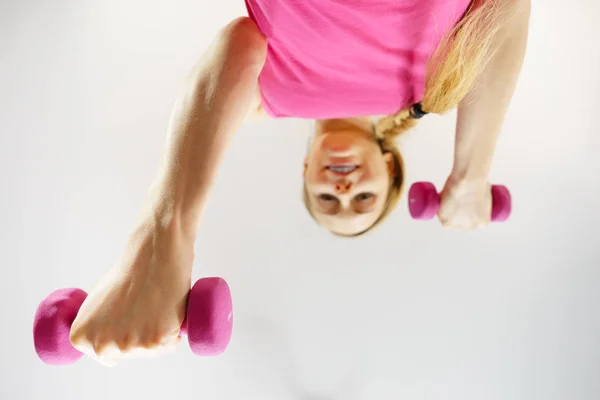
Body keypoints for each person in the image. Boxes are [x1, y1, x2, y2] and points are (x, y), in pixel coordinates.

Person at [69, 0, 531, 364]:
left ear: (306, 168)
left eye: (327, 201)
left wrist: (162, 239)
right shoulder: (436, 89)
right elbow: (505, 6)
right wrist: (471, 179)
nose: (343, 191)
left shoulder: (266, 94)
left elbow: (238, 42)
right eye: (364, 199)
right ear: (390, 168)